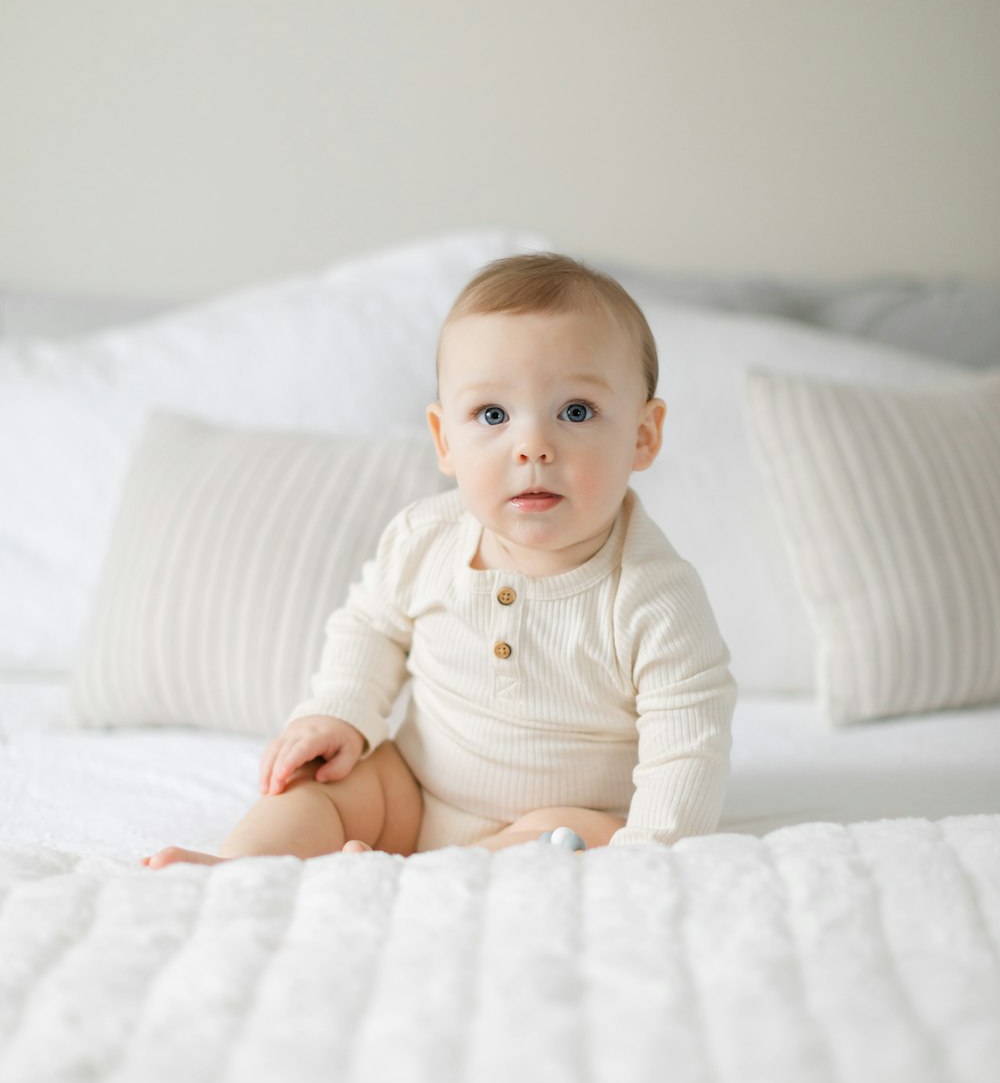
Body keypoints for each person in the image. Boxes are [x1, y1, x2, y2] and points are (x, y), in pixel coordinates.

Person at [144, 252, 736, 869]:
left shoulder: (654, 596)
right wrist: (340, 710)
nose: (532, 445)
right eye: (493, 415)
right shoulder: (425, 538)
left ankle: (423, 880)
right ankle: (243, 871)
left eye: (576, 411)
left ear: (644, 435)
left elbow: (687, 751)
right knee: (320, 784)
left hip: (560, 815)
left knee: (572, 837)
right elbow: (372, 626)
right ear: (444, 440)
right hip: (415, 792)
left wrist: (652, 854)